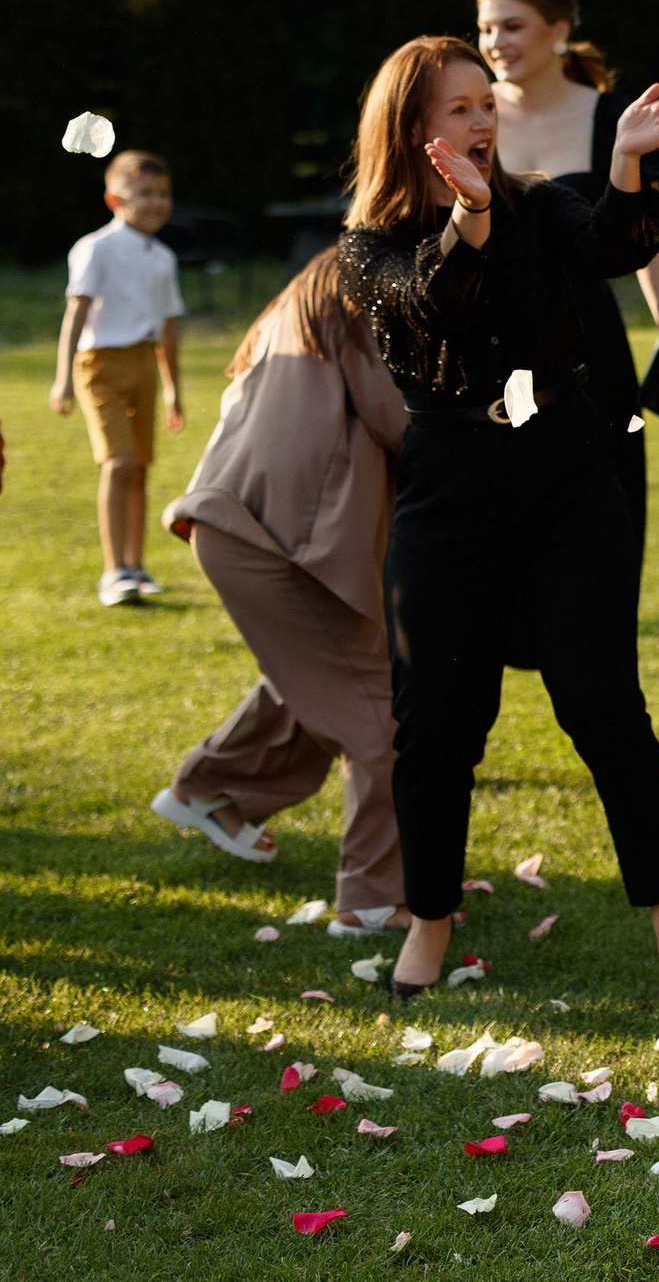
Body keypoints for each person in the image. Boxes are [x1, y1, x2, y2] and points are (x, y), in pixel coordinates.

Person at [336, 35, 659, 1002]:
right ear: (410, 128)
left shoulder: (540, 201)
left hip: (569, 479)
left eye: (484, 106)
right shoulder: (367, 247)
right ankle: (430, 922)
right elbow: (432, 304)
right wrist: (466, 213)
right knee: (435, 726)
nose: (480, 121)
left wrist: (626, 164)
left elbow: (617, 244)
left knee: (600, 702)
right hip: (450, 493)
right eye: (458, 108)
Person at [152, 251, 411, 934]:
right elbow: (400, 417)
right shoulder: (364, 285)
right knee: (380, 713)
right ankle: (373, 900)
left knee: (322, 678)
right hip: (274, 536)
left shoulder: (315, 282)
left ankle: (212, 787)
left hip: (245, 519)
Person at [476, 0, 659, 549]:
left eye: (512, 26)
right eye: (487, 27)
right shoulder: (473, 116)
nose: (496, 43)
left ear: (560, 28)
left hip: (590, 344)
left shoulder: (611, 120)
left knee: (607, 512)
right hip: (486, 345)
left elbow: (646, 242)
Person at [50, 150, 186, 606]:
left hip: (144, 365)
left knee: (140, 470)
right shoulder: (95, 248)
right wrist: (62, 378)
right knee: (118, 463)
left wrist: (173, 390)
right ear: (114, 198)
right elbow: (77, 311)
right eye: (144, 193)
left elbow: (168, 327)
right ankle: (114, 572)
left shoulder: (163, 257)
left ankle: (136, 566)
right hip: (99, 366)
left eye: (163, 194)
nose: (155, 203)